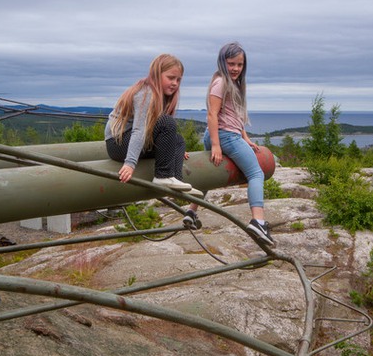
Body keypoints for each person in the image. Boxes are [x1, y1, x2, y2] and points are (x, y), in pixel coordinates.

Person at [183, 43, 273, 245]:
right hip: (224, 136)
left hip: (224, 134)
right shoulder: (221, 82)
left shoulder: (231, 83)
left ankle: (191, 211)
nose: (235, 68)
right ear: (222, 62)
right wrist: (216, 145)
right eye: (231, 63)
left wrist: (246, 137)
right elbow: (212, 114)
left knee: (206, 177)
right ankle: (258, 221)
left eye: (239, 64)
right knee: (256, 174)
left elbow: (234, 115)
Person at [105, 54, 202, 197]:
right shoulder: (146, 93)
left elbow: (156, 132)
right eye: (170, 78)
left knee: (178, 140)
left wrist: (171, 146)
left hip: (135, 140)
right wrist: (130, 164)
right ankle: (162, 177)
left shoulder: (162, 96)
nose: (175, 83)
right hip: (118, 143)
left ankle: (176, 182)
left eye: (178, 80)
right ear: (157, 75)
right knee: (167, 122)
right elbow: (139, 130)